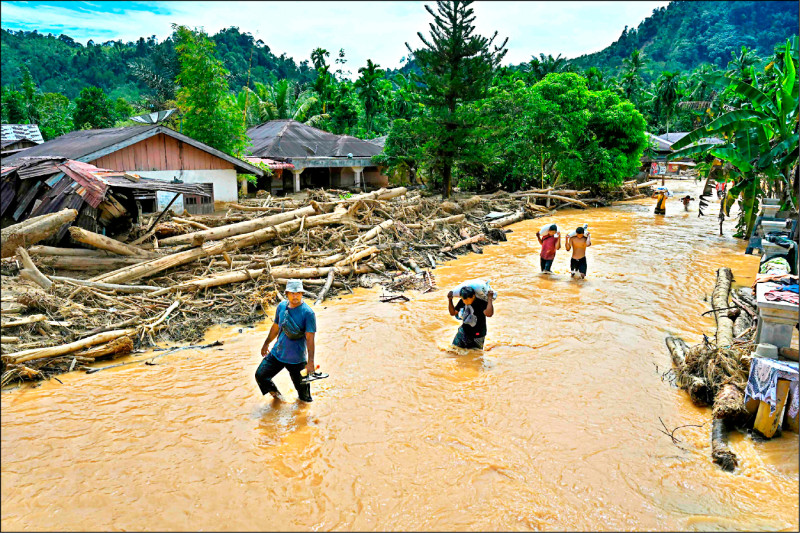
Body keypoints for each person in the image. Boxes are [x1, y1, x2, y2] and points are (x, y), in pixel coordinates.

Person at [255, 279, 316, 402]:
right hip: (278, 353)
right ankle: (279, 399)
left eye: (298, 293)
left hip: (297, 359)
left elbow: (310, 339)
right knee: (261, 376)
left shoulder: (308, 313)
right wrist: (266, 343)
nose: (295, 296)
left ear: (302, 294)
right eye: (292, 293)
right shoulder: (282, 307)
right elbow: (276, 327)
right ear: (287, 293)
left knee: (305, 398)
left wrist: (310, 362)